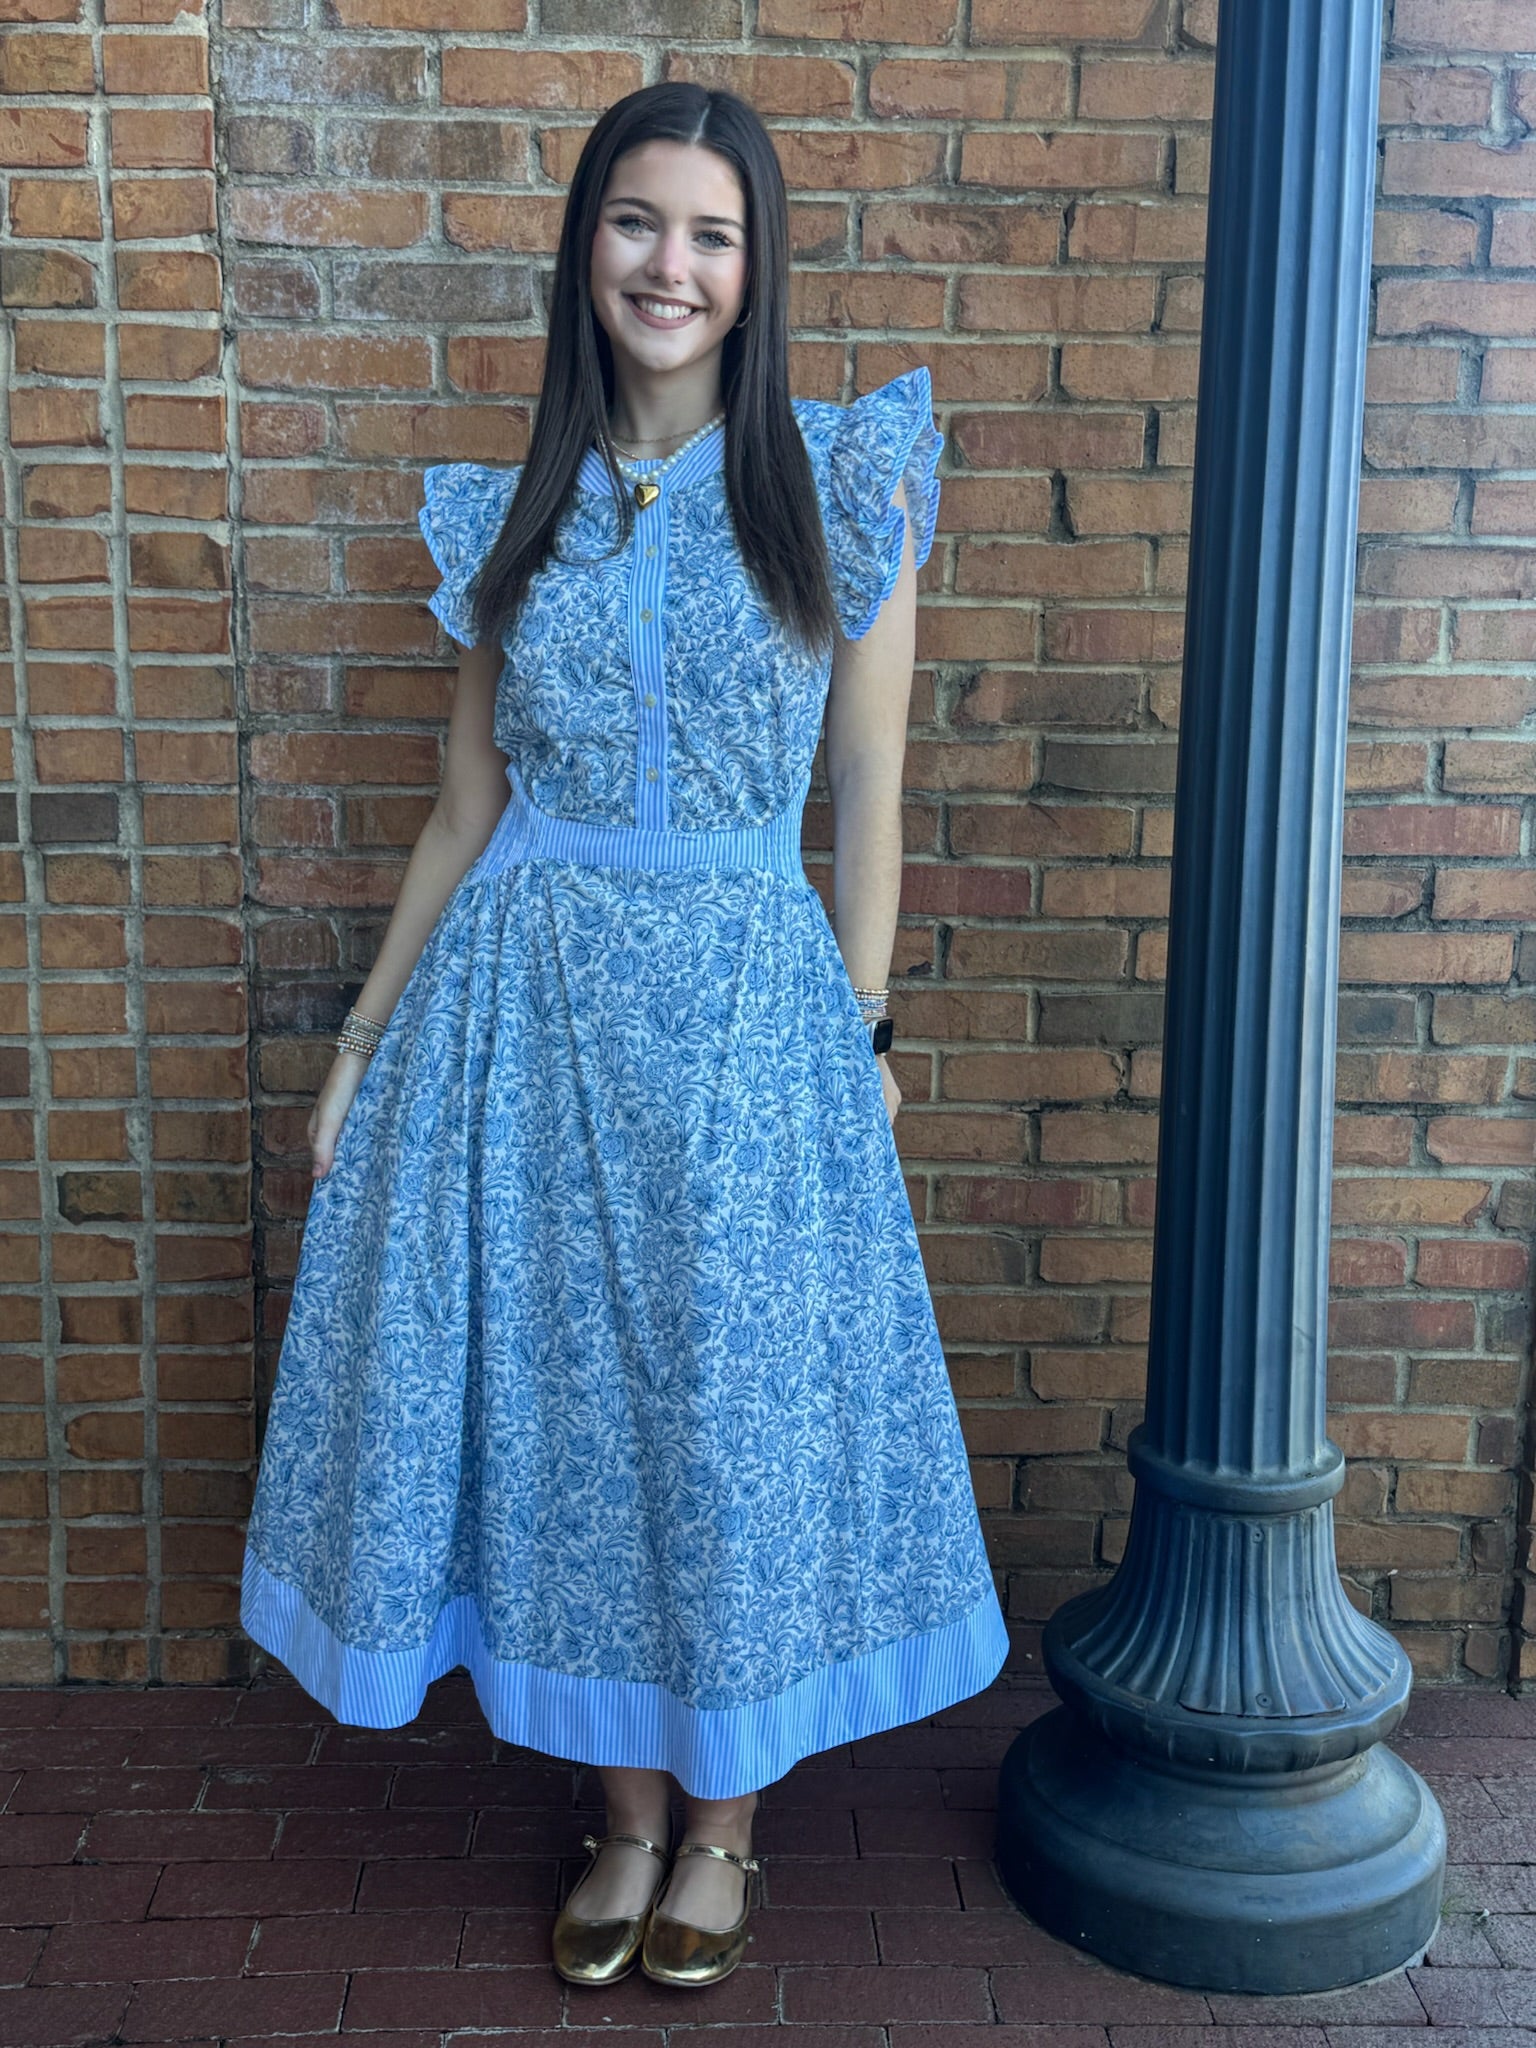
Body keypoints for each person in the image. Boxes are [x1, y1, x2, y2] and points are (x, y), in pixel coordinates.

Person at [239, 80, 1009, 1992]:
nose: (674, 265)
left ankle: (728, 1828)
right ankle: (624, 1819)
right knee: (567, 1410)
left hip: (749, 1019)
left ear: (756, 269)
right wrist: (356, 1056)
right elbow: (460, 809)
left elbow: (871, 801)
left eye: (714, 233)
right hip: (529, 1015)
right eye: (640, 225)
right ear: (586, 249)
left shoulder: (841, 484)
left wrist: (866, 1027)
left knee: (722, 1418)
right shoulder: (521, 512)